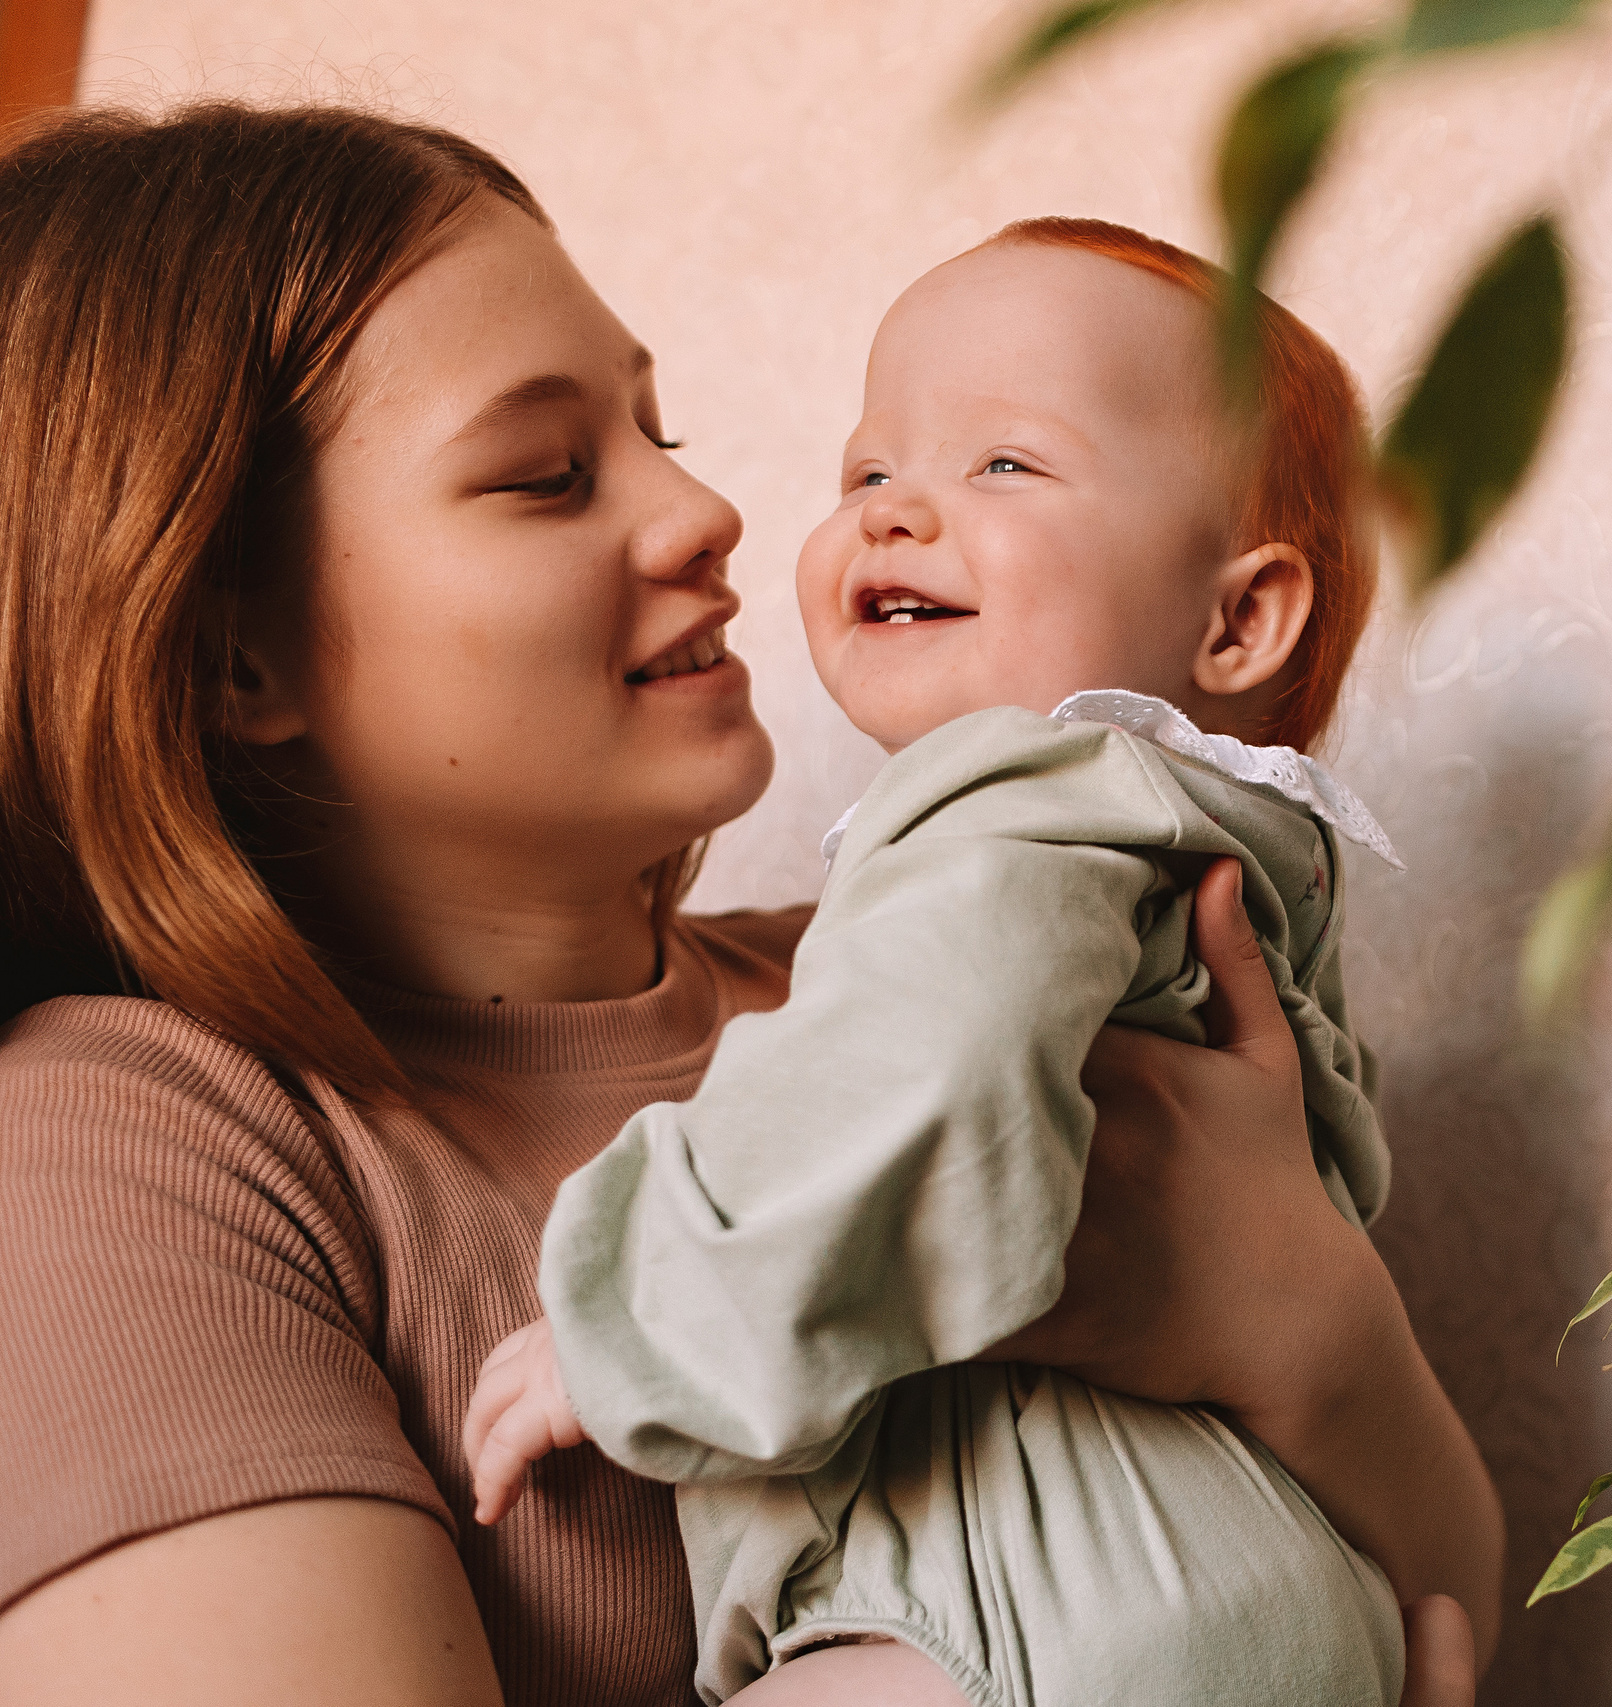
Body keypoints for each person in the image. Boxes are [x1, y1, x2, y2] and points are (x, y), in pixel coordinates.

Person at [0, 101, 1498, 1707]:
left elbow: (1455, 1609)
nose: (707, 516)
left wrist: (1304, 1324)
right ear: (236, 657)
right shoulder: (129, 1143)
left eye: (667, 436)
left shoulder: (939, 957)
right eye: (550, 474)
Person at [460, 218, 1485, 1707]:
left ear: (1241, 614)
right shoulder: (1220, 857)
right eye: (868, 470)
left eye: (1004, 465)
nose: (893, 513)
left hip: (1037, 1622)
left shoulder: (1023, 798)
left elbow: (919, 1071)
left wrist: (645, 1325)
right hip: (1255, 1596)